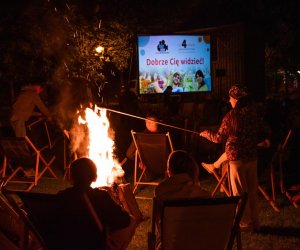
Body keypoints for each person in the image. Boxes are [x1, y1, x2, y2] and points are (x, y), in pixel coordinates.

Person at [199, 84, 270, 232]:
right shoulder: (253, 114)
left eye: (231, 98)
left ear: (236, 99)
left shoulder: (231, 116)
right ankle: (256, 222)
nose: (230, 101)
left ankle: (244, 223)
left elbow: (219, 138)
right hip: (251, 156)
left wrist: (206, 134)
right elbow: (264, 130)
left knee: (239, 192)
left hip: (236, 158)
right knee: (251, 191)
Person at [56, 157, 132, 250]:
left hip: (67, 244)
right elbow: (124, 220)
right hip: (94, 245)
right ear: (95, 177)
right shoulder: (100, 197)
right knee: (131, 220)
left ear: (71, 176)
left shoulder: (62, 197)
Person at [154, 150, 209, 249]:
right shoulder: (204, 196)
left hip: (171, 245)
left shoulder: (161, 193)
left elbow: (158, 222)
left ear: (169, 170)